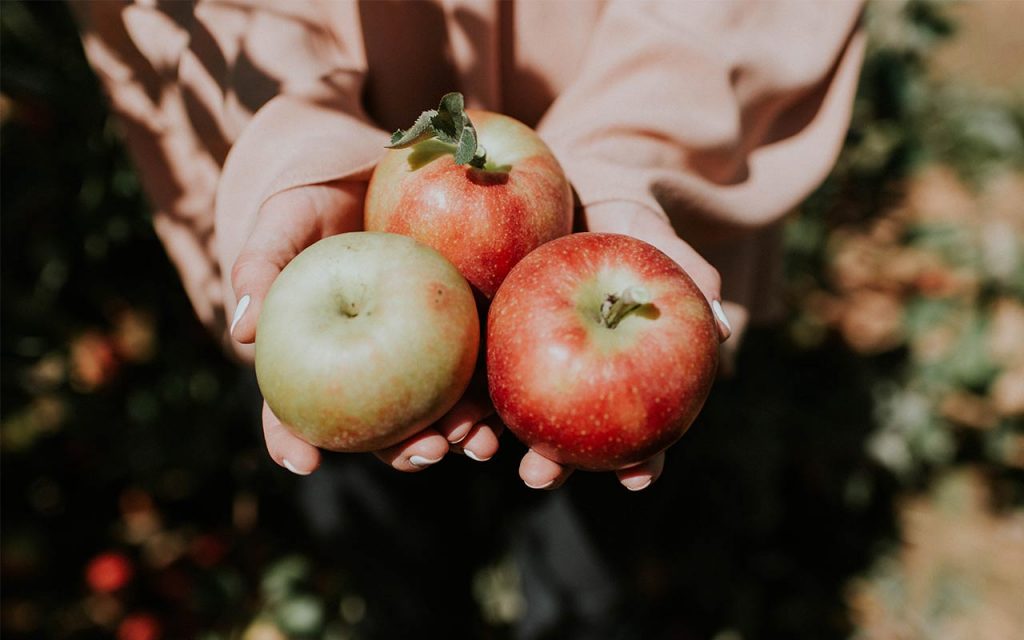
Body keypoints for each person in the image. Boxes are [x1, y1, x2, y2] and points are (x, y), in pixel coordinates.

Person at [75, 0, 865, 635]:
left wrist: (627, 160)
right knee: (392, 555)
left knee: (594, 564)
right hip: (353, 251)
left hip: (619, 244)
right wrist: (301, 141)